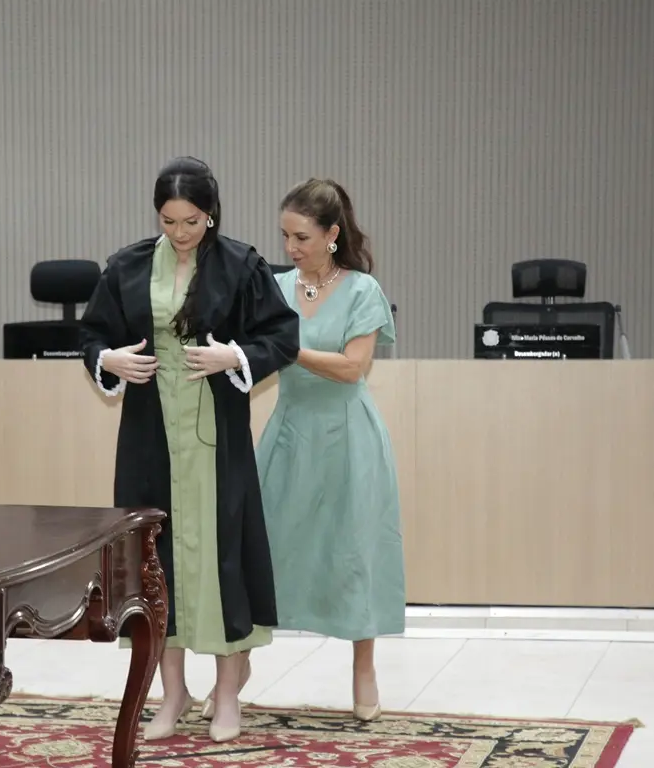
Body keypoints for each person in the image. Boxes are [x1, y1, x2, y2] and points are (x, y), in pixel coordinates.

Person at [78, 157, 300, 743]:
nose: (180, 232)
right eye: (170, 220)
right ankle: (172, 693)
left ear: (211, 213)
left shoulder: (241, 265)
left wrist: (235, 358)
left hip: (217, 442)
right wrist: (109, 361)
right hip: (149, 440)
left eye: (192, 221)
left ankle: (228, 693)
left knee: (224, 563)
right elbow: (92, 334)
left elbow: (282, 335)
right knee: (156, 567)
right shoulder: (125, 266)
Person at [242, 178, 405, 721]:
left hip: (347, 432)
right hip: (290, 429)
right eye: (285, 236)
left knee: (353, 549)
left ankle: (363, 666)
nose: (290, 248)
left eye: (302, 237)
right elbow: (253, 356)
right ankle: (239, 656)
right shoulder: (276, 288)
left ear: (333, 235)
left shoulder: (363, 291)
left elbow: (353, 367)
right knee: (264, 545)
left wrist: (289, 348)